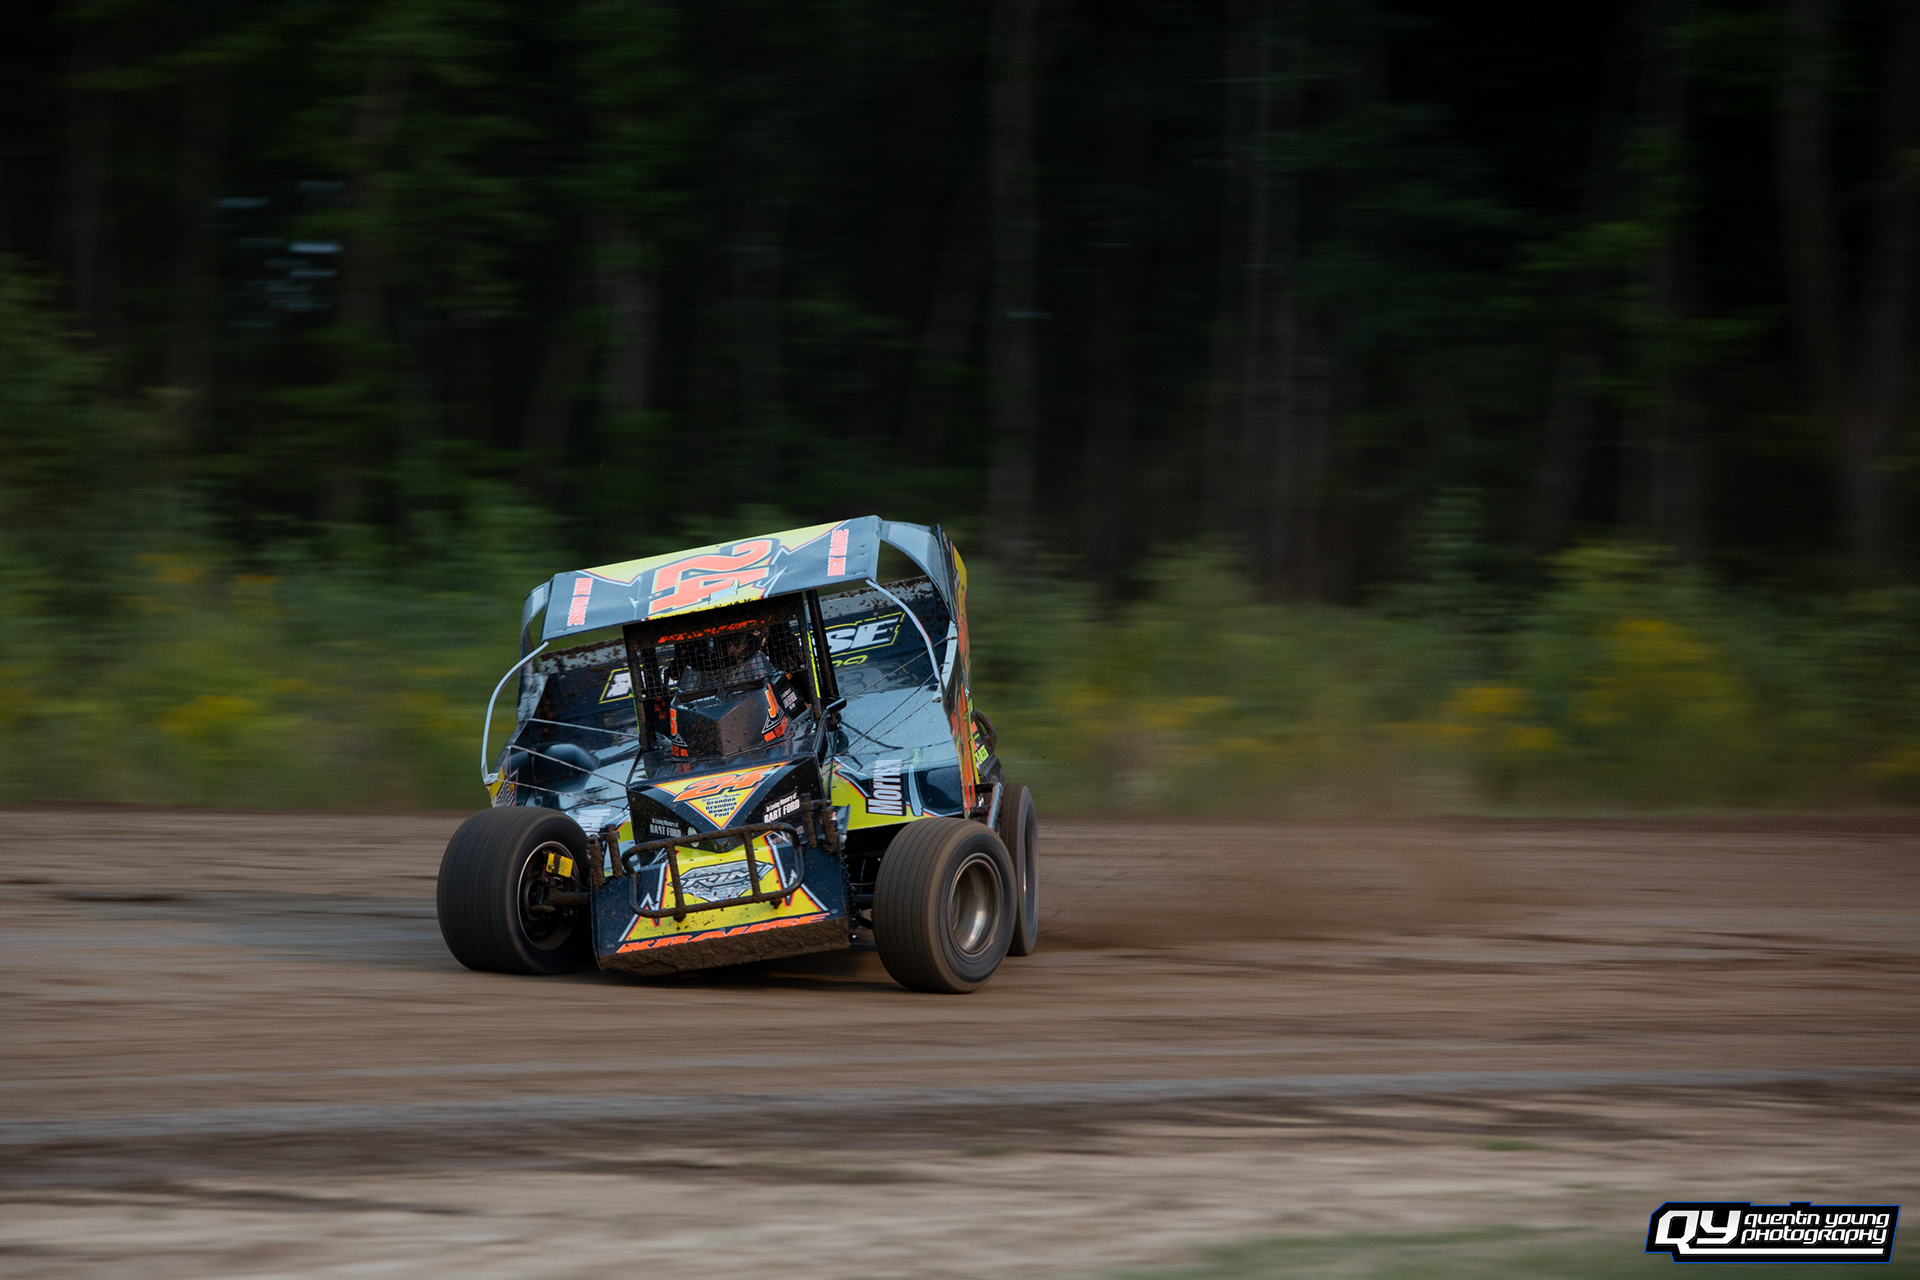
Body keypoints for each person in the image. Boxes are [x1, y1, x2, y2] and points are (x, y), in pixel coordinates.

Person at [677, 627, 772, 696]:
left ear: (744, 646)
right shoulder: (707, 661)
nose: (731, 648)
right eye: (730, 644)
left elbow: (765, 679)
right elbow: (689, 692)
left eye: (736, 645)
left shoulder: (752, 657)